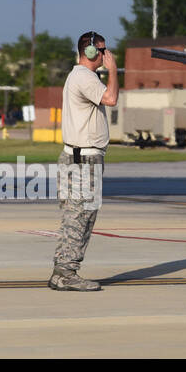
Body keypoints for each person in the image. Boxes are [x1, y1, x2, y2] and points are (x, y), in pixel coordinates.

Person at [49, 31, 118, 291]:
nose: (105, 54)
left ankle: (63, 271)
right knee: (80, 217)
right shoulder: (84, 77)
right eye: (102, 50)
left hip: (80, 157)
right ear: (89, 52)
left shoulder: (82, 76)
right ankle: (65, 273)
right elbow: (111, 99)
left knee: (78, 217)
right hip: (83, 160)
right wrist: (113, 71)